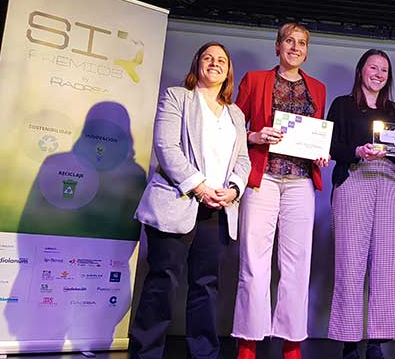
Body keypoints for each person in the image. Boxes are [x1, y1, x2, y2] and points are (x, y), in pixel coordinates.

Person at [129, 42, 251, 359]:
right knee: (162, 282)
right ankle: (147, 352)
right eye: (208, 58)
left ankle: (204, 352)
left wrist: (234, 189)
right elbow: (166, 147)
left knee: (206, 286)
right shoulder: (177, 97)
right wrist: (199, 187)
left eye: (221, 60)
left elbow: (244, 161)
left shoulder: (235, 114)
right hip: (177, 201)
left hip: (218, 210)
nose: (215, 63)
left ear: (228, 71)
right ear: (197, 63)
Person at [233, 23, 328, 359]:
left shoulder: (317, 87)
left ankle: (291, 343)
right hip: (263, 179)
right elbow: (231, 127)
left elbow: (315, 134)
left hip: (301, 181)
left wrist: (321, 151)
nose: (295, 47)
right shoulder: (255, 79)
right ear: (277, 46)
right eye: (289, 41)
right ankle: (247, 342)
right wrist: (253, 136)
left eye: (302, 43)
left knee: (297, 264)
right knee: (254, 262)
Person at [326, 49, 395, 359]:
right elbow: (330, 145)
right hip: (354, 178)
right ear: (361, 70)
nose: (378, 74)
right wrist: (357, 151)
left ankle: (377, 340)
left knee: (388, 265)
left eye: (384, 70)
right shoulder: (342, 104)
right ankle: (350, 341)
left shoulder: (394, 109)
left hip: (390, 182)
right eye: (373, 67)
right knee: (350, 262)